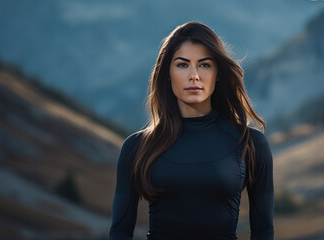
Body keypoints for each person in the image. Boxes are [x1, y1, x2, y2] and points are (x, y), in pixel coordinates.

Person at [110, 21, 274, 240]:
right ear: (167, 72)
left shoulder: (251, 143)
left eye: (204, 65)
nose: (194, 75)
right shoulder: (137, 147)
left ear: (218, 73)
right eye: (182, 65)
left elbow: (263, 231)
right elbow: (120, 232)